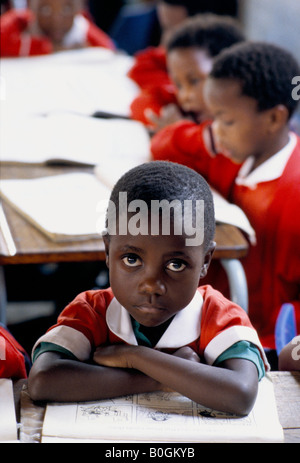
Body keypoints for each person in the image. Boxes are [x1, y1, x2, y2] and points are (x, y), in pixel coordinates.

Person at [28, 161, 268, 416]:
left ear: (205, 261)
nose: (152, 285)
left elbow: (240, 394)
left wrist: (134, 357)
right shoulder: (91, 311)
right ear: (108, 251)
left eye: (176, 264)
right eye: (132, 259)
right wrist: (158, 379)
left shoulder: (219, 317)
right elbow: (43, 380)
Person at [152, 42, 300, 363]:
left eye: (226, 121)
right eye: (213, 118)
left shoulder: (293, 193)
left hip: (266, 344)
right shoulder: (235, 155)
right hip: (217, 317)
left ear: (275, 118)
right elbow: (165, 146)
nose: (217, 132)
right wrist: (204, 136)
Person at [128, 6, 243, 130]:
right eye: (179, 85)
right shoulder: (191, 113)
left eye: (194, 81)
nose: (184, 96)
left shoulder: (242, 130)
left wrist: (180, 133)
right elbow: (139, 104)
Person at [0, 0, 115, 57]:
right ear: (31, 6)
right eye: (45, 10)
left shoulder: (83, 30)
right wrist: (54, 49)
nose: (56, 19)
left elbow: (109, 51)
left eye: (66, 9)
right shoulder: (20, 22)